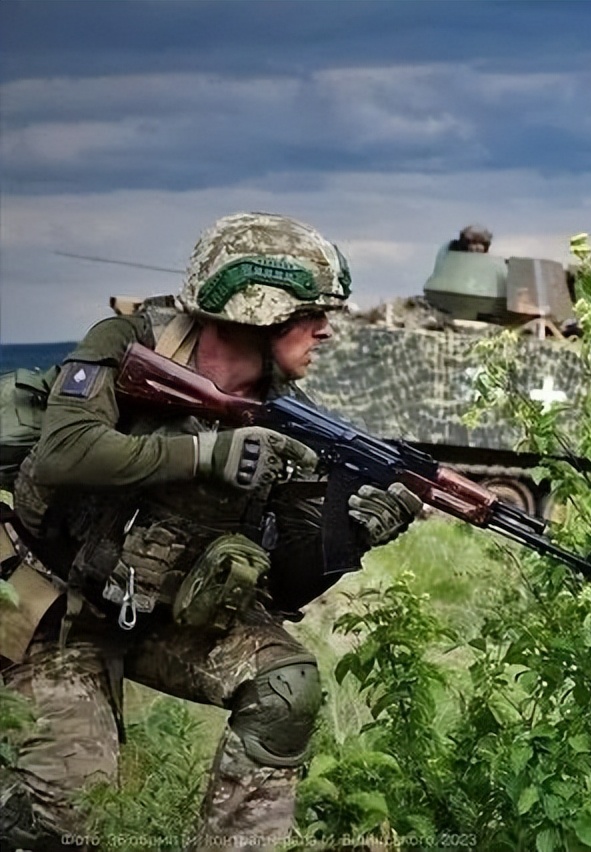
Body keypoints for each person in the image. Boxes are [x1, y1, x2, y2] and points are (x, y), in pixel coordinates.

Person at [0, 212, 423, 851]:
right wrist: (206, 454)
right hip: (53, 608)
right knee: (64, 829)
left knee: (285, 684)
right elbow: (65, 451)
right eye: (312, 313)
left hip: (161, 616)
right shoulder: (131, 343)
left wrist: (352, 535)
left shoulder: (291, 419)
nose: (326, 330)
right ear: (260, 309)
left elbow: (285, 586)